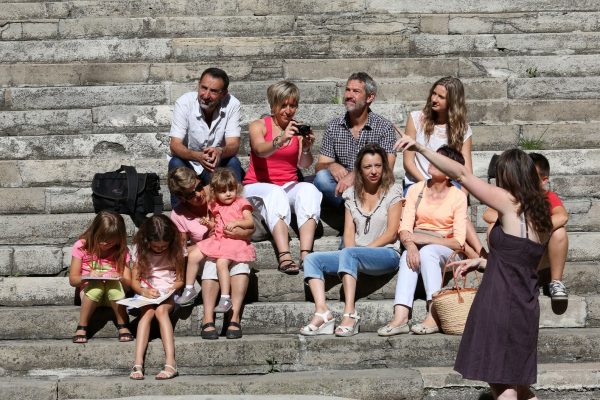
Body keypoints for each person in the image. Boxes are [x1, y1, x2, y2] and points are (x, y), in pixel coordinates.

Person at [397, 132, 552, 400]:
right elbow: (521, 260)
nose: (495, 182)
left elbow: (463, 176)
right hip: (526, 306)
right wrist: (482, 262)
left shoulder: (508, 203)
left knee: (503, 386)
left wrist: (420, 148)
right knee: (521, 387)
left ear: (509, 178)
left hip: (501, 303)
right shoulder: (542, 216)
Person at [300, 144, 403, 337]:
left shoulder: (394, 191)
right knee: (311, 259)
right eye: (368, 167)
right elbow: (348, 233)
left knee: (350, 252)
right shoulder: (351, 195)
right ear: (359, 170)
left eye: (378, 166)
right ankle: (323, 313)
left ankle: (350, 314)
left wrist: (361, 252)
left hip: (386, 254)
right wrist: (354, 253)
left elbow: (391, 233)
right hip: (355, 254)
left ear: (384, 167)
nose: (373, 171)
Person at [378, 146, 467, 336]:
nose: (432, 162)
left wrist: (424, 239)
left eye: (439, 160)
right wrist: (410, 245)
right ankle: (400, 316)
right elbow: (405, 228)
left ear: (450, 168)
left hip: (447, 249)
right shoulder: (416, 189)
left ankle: (434, 314)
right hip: (416, 243)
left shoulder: (458, 196)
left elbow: (458, 242)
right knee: (407, 257)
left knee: (428, 252)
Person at [397, 76, 485, 259]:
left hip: (448, 184)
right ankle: (477, 254)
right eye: (433, 94)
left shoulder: (462, 129)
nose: (434, 99)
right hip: (418, 185)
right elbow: (408, 162)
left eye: (441, 97)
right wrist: (429, 185)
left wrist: (459, 195)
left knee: (457, 204)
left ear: (453, 101)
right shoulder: (416, 119)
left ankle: (481, 253)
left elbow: (466, 170)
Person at [243, 80, 321, 273]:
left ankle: (306, 254)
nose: (288, 110)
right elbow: (260, 150)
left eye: (292, 105)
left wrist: (307, 148)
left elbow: (304, 164)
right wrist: (281, 139)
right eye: (283, 105)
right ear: (273, 105)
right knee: (275, 193)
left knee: (310, 189)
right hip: (257, 186)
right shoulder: (259, 125)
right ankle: (284, 255)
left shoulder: (296, 130)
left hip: (288, 185)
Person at [168, 167, 252, 339]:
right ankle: (208, 318)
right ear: (180, 197)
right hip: (209, 250)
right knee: (211, 264)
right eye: (191, 194)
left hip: (235, 242)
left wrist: (236, 233)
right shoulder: (178, 214)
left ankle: (233, 317)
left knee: (239, 265)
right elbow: (181, 249)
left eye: (198, 187)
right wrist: (204, 244)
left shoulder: (218, 190)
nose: (199, 194)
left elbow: (250, 228)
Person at [483, 152, 569, 302]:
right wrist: (516, 222)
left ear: (543, 181)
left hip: (539, 252)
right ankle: (500, 271)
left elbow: (562, 216)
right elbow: (488, 215)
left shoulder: (548, 197)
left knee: (560, 232)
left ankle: (556, 282)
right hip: (515, 253)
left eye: (531, 176)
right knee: (492, 226)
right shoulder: (512, 197)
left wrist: (535, 228)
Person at [313, 72, 397, 208]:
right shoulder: (334, 126)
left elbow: (388, 167)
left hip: (371, 186)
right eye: (347, 90)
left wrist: (354, 175)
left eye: (356, 91)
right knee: (322, 179)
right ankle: (357, 210)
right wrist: (331, 165)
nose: (349, 95)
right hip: (343, 191)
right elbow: (319, 166)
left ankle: (357, 210)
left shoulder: (384, 127)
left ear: (370, 97)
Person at [167, 67, 243, 207]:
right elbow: (175, 145)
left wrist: (220, 151)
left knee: (233, 162)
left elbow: (234, 144)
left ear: (224, 94)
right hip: (189, 163)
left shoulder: (233, 104)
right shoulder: (184, 103)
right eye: (204, 88)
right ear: (198, 85)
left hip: (215, 163)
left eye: (213, 91)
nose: (206, 95)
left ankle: (233, 214)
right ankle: (179, 219)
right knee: (175, 163)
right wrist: (197, 156)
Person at [188, 168, 256, 315]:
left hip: (233, 242)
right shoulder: (214, 205)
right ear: (215, 192)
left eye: (231, 189)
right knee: (193, 255)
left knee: (221, 263)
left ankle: (225, 298)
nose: (228, 193)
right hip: (219, 240)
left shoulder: (241, 203)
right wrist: (208, 224)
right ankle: (189, 288)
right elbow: (215, 225)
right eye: (223, 191)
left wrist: (237, 222)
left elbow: (250, 222)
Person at [127, 215, 184, 380]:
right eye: (156, 246)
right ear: (147, 241)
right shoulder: (140, 249)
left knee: (161, 312)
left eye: (163, 246)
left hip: (169, 291)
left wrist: (169, 289)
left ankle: (170, 363)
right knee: (147, 313)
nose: (160, 249)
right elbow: (134, 281)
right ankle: (137, 364)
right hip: (147, 291)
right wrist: (144, 292)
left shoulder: (177, 248)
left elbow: (180, 280)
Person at [69, 211, 133, 344]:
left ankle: (123, 325)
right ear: (94, 232)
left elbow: (129, 283)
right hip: (88, 293)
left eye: (110, 242)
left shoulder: (122, 250)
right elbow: (73, 280)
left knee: (113, 286)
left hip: (114, 294)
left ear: (119, 238)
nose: (104, 244)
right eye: (101, 239)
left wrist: (120, 277)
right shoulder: (81, 246)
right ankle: (82, 327)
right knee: (96, 287)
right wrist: (87, 276)